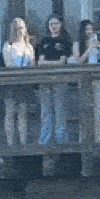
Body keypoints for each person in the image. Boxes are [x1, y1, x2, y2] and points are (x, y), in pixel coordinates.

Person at [34, 14, 73, 145]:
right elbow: (39, 62)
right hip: (44, 80)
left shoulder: (66, 41)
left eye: (56, 23)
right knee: (45, 110)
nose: (53, 26)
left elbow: (63, 62)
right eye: (51, 24)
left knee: (60, 108)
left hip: (60, 79)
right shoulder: (43, 41)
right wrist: (52, 62)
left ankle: (61, 139)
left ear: (61, 25)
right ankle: (45, 139)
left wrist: (48, 62)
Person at [0, 17, 35, 146]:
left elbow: (32, 64)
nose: (19, 31)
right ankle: (10, 143)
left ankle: (23, 143)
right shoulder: (8, 45)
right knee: (10, 112)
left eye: (21, 28)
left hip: (24, 83)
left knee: (23, 113)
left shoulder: (29, 47)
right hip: (11, 82)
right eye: (16, 29)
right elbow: (8, 64)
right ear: (12, 30)